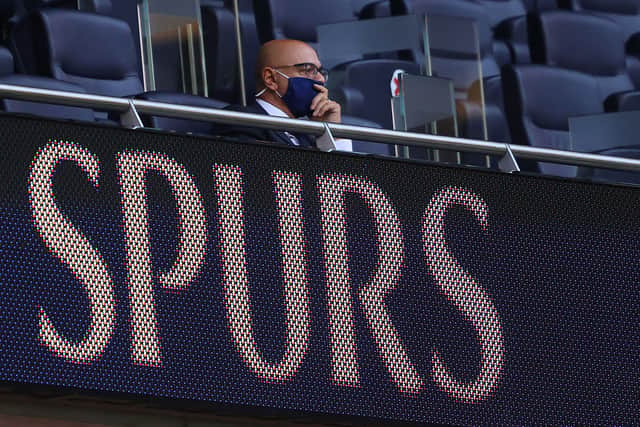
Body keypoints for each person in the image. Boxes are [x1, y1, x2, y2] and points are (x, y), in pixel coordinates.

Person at [222, 39, 349, 149]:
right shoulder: (243, 121)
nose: (321, 79)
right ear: (271, 79)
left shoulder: (308, 135)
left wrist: (332, 132)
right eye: (308, 70)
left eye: (320, 71)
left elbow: (338, 176)